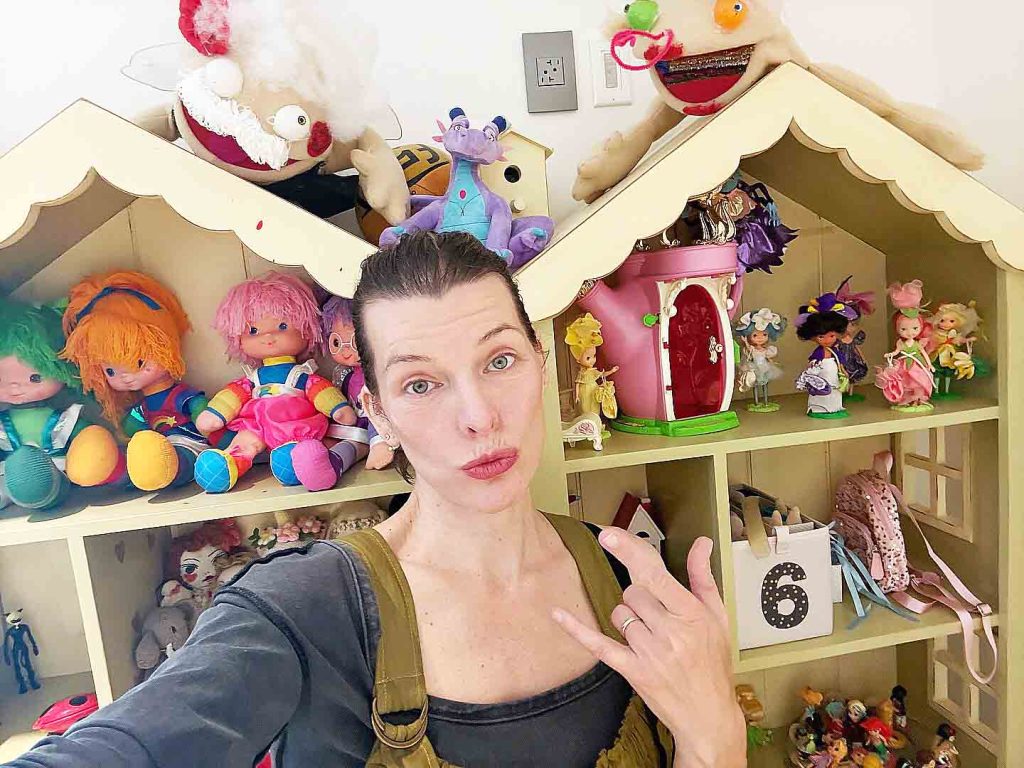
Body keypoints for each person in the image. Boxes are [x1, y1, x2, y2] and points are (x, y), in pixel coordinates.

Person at [7, 232, 743, 767]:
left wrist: (715, 735)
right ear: (378, 414)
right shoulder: (305, 608)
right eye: (420, 383)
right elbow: (131, 746)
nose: (478, 416)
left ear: (539, 365)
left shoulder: (626, 583)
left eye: (499, 360)